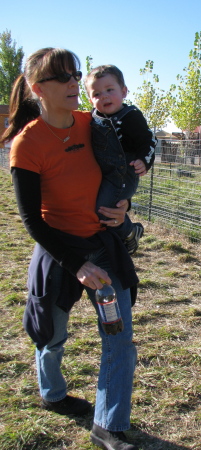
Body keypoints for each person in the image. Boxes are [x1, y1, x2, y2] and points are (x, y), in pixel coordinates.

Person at [1, 47, 139, 450]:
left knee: (119, 338)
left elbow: (123, 171)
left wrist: (124, 204)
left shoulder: (94, 124)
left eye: (75, 75)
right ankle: (53, 393)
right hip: (59, 253)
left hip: (103, 248)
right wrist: (75, 264)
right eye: (62, 77)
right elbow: (32, 221)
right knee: (51, 336)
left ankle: (108, 425)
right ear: (36, 88)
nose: (74, 84)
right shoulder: (27, 145)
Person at [85, 65, 157, 255]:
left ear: (124, 92)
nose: (104, 96)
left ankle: (129, 232)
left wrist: (144, 160)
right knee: (97, 209)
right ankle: (117, 239)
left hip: (123, 177)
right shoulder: (92, 119)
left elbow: (149, 140)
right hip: (104, 175)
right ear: (90, 99)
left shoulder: (131, 117)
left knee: (103, 211)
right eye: (97, 93)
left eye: (110, 90)